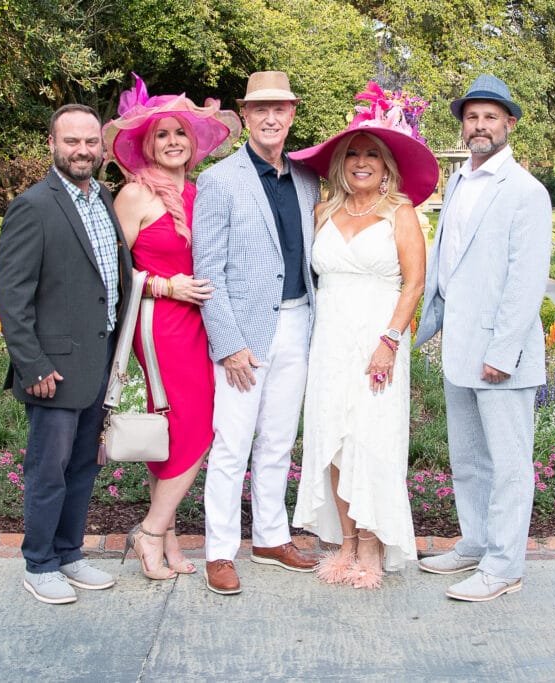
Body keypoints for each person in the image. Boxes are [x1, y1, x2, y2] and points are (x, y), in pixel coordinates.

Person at [290, 82, 438, 589]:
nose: (360, 162)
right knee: (333, 442)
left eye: (371, 154)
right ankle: (346, 543)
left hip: (379, 343)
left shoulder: (400, 213)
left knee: (372, 442)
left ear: (386, 165)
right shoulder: (323, 212)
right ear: (340, 164)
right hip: (329, 343)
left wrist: (390, 341)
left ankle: (373, 546)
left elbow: (414, 283)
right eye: (352, 153)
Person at [414, 74, 552, 602]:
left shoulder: (526, 191)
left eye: (490, 117)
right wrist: (421, 330)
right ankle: (475, 543)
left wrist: (503, 352)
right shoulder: (457, 182)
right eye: (472, 117)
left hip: (501, 355)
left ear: (508, 123)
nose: (480, 125)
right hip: (459, 349)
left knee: (509, 466)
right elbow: (447, 265)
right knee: (469, 459)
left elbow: (525, 281)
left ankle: (504, 567)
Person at [103, 75, 241, 580]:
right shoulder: (135, 195)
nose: (172, 142)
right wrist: (165, 286)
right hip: (159, 322)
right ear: (147, 145)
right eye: (161, 134)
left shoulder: (200, 193)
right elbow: (113, 271)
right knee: (196, 425)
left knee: (175, 426)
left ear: (193, 141)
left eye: (180, 132)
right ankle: (150, 530)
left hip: (200, 321)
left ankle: (168, 542)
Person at [0, 104, 134, 605]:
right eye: (71, 141)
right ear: (52, 144)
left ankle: (69, 553)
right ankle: (40, 563)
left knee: (81, 467)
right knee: (48, 470)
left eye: (91, 142)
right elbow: (12, 294)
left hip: (98, 360)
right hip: (51, 369)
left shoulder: (105, 199)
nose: (82, 150)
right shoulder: (33, 206)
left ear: (101, 147)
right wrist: (32, 363)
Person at [192, 71, 321, 595]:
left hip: (298, 323)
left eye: (279, 110)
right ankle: (220, 551)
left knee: (278, 442)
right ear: (245, 116)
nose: (271, 119)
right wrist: (229, 346)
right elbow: (208, 270)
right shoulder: (219, 181)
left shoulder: (308, 179)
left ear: (291, 115)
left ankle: (271, 538)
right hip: (244, 335)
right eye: (260, 110)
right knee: (231, 445)